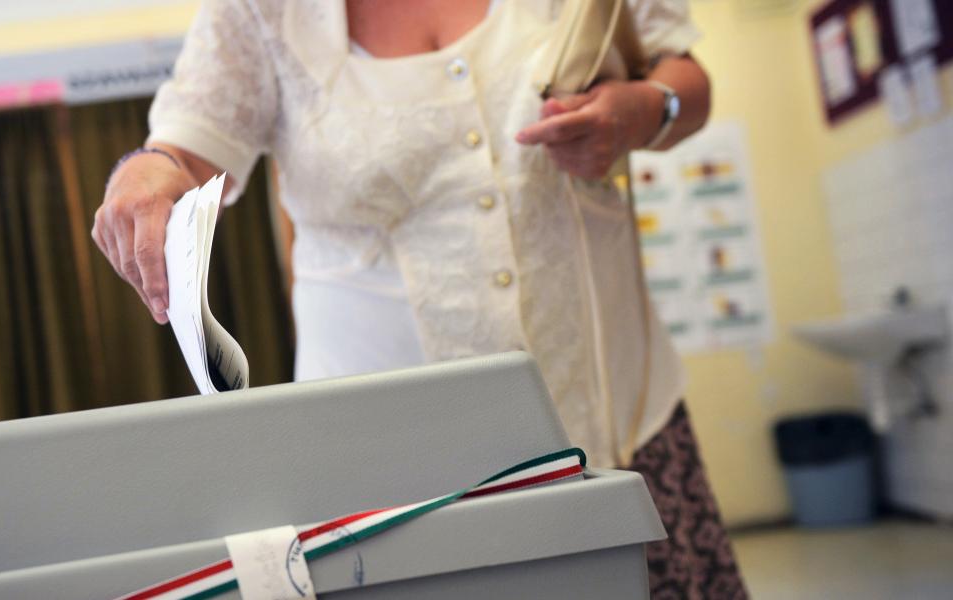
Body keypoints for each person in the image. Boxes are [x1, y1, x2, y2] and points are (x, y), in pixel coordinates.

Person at [92, 0, 746, 596]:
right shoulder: (261, 12)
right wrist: (142, 173)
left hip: (614, 426)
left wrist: (649, 107)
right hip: (382, 478)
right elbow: (185, 151)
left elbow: (685, 78)